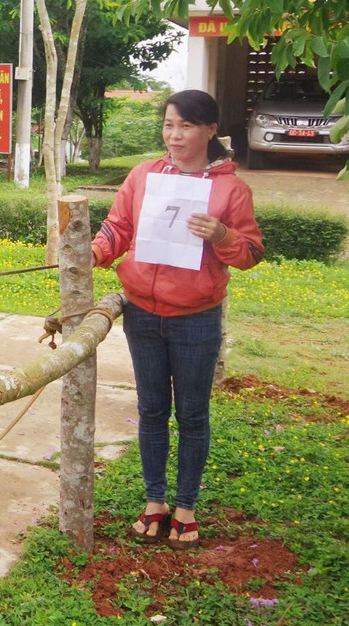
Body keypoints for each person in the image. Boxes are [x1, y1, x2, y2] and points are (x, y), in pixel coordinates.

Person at [92, 89, 264, 551]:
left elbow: (251, 254)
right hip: (143, 315)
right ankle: (155, 501)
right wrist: (96, 251)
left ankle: (185, 507)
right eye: (169, 125)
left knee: (191, 414)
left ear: (210, 130)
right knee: (151, 410)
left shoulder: (231, 189)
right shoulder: (143, 175)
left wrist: (222, 234)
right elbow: (118, 227)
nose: (175, 135)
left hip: (196, 320)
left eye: (186, 126)